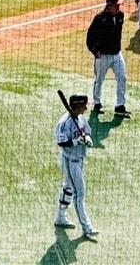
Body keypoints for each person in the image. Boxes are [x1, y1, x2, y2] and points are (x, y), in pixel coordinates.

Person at [53, 94, 97, 238]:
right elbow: (61, 142)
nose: (86, 107)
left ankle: (60, 216)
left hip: (80, 159)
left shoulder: (80, 118)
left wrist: (87, 138)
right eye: (84, 105)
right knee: (80, 193)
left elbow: (86, 131)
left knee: (68, 187)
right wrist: (76, 142)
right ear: (78, 106)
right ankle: (87, 227)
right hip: (70, 161)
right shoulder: (64, 122)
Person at [85, 0, 129, 118]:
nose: (119, 7)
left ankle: (120, 105)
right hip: (102, 56)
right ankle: (97, 103)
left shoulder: (120, 16)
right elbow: (90, 37)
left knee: (122, 77)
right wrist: (95, 51)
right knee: (99, 79)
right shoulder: (99, 19)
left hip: (117, 55)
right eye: (116, 5)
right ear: (109, 6)